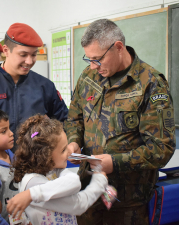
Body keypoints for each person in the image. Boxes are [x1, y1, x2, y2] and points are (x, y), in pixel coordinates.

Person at [64, 19, 176, 224]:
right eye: (88, 59)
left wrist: (115, 163)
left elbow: (162, 148)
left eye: (97, 59)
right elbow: (74, 118)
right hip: (88, 192)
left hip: (128, 202)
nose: (92, 66)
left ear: (118, 47)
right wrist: (73, 141)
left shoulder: (151, 83)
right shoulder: (89, 77)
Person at [0, 23, 69, 169]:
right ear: (6, 50)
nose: (29, 61)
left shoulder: (44, 85)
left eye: (34, 54)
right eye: (23, 55)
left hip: (35, 168)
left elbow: (64, 122)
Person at [6, 115, 107, 225]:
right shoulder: (33, 183)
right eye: (63, 150)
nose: (69, 153)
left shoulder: (50, 169)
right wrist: (99, 181)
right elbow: (78, 199)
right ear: (46, 156)